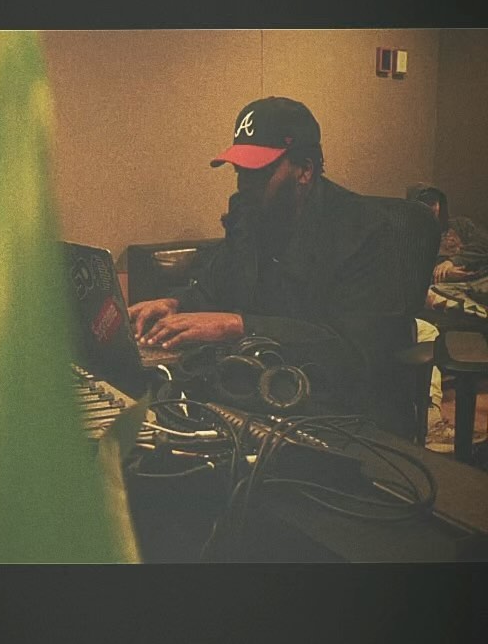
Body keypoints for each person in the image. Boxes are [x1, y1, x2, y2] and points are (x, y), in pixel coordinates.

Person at [128, 96, 431, 437]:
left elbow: (354, 355)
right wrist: (175, 303)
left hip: (342, 416)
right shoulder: (251, 215)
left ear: (305, 170)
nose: (245, 185)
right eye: (240, 171)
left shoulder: (365, 232)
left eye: (259, 173)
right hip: (259, 399)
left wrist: (239, 326)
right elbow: (215, 286)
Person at [408, 183, 488, 452]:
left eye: (435, 203)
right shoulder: (416, 235)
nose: (432, 209)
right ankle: (432, 421)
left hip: (479, 274)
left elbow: (483, 245)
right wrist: (442, 270)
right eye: (426, 204)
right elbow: (418, 268)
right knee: (438, 298)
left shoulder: (461, 225)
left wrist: (455, 261)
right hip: (449, 286)